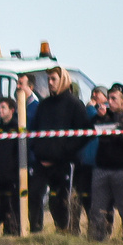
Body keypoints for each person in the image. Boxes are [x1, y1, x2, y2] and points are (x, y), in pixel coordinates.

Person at [27, 67, 92, 232]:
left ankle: (62, 231)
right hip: (41, 162)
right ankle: (36, 231)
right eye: (48, 79)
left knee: (60, 201)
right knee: (34, 196)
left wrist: (65, 151)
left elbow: (86, 133)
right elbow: (33, 130)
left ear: (63, 80)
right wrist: (36, 148)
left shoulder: (74, 105)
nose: (50, 83)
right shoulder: (44, 105)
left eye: (53, 79)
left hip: (64, 163)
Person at [0, 98, 24, 234]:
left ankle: (11, 229)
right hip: (0, 174)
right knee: (3, 203)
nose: (0, 110)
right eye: (0, 107)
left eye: (3, 107)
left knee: (13, 204)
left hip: (14, 175)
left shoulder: (17, 128)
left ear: (12, 110)